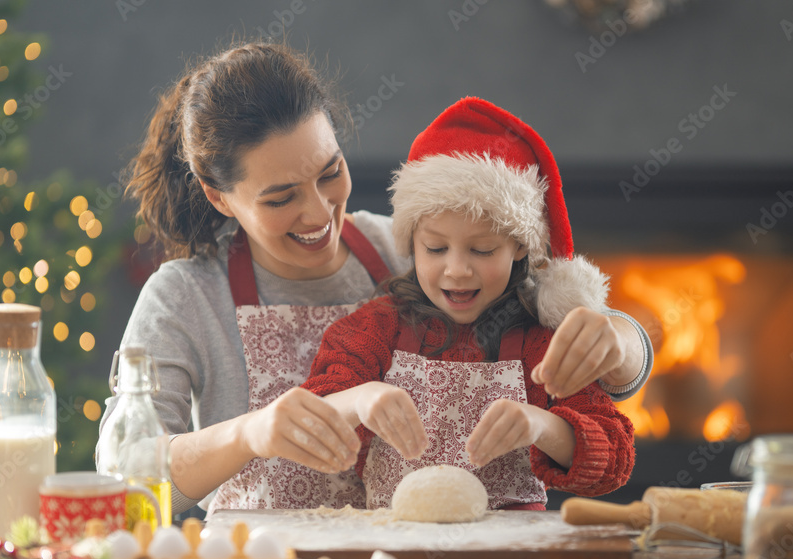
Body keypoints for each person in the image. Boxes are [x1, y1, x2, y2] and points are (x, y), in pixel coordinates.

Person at [98, 41, 652, 518]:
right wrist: (248, 432)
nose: (319, 214)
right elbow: (124, 478)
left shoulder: (415, 249)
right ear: (218, 195)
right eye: (281, 197)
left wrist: (617, 338)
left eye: (329, 173)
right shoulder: (184, 296)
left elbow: (574, 346)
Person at [299, 97, 635, 510]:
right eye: (436, 248)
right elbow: (307, 422)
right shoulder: (377, 329)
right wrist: (360, 399)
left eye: (482, 250)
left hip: (510, 558)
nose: (456, 270)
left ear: (517, 249)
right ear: (411, 244)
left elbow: (614, 462)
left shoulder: (541, 342)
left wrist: (542, 425)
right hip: (395, 547)